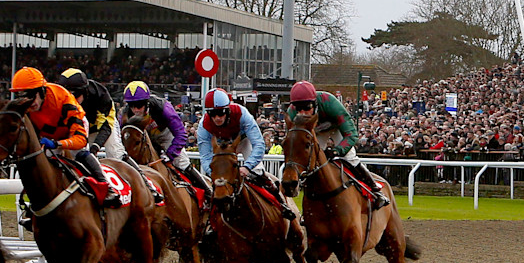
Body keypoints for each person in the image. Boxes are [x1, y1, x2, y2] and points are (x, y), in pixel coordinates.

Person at [287, 80, 389, 209]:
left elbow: (351, 135)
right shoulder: (292, 112)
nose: (302, 113)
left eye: (307, 107)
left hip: (336, 127)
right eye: (298, 108)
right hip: (315, 131)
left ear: (314, 103)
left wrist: (337, 151)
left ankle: (375, 191)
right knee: (308, 159)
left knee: (350, 157)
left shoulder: (329, 102)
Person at [197, 88, 295, 221]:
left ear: (228, 110)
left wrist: (247, 167)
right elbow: (205, 156)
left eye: (220, 113)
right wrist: (214, 173)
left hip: (242, 141)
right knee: (215, 181)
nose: (217, 118)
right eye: (212, 114)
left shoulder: (242, 114)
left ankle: (280, 203)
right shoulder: (204, 126)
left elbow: (259, 144)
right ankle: (208, 219)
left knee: (258, 171)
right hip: (220, 148)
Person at [7, 67, 108, 185]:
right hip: (49, 134)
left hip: (70, 129)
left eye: (31, 96)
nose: (30, 102)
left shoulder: (64, 100)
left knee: (78, 153)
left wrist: (57, 144)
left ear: (42, 91)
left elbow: (80, 140)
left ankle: (105, 183)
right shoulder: (23, 108)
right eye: (23, 98)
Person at [122, 81, 207, 193]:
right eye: (131, 106)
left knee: (181, 162)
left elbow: (181, 133)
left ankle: (207, 191)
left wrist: (171, 154)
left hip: (165, 135)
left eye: (139, 105)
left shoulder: (163, 107)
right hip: (143, 138)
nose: (135, 110)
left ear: (147, 103)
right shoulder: (126, 114)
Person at [55, 68, 123, 162]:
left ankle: (134, 168)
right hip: (80, 128)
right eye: (67, 97)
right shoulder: (58, 100)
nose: (72, 101)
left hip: (103, 127)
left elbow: (106, 126)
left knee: (115, 153)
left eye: (75, 96)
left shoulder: (101, 96)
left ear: (85, 91)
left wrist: (96, 146)